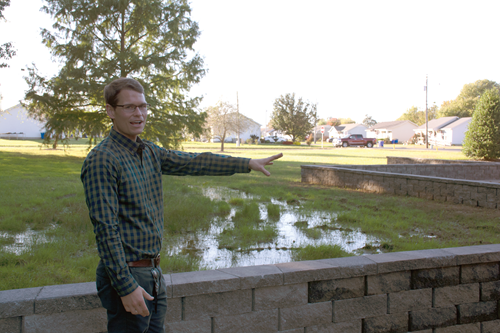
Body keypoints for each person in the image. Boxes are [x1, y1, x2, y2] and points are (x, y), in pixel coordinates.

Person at [81, 77, 283, 333]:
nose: (139, 114)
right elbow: (105, 229)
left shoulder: (148, 151)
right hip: (128, 275)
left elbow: (195, 162)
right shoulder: (103, 159)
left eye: (143, 107)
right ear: (111, 111)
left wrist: (246, 163)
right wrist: (125, 286)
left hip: (153, 273)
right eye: (130, 107)